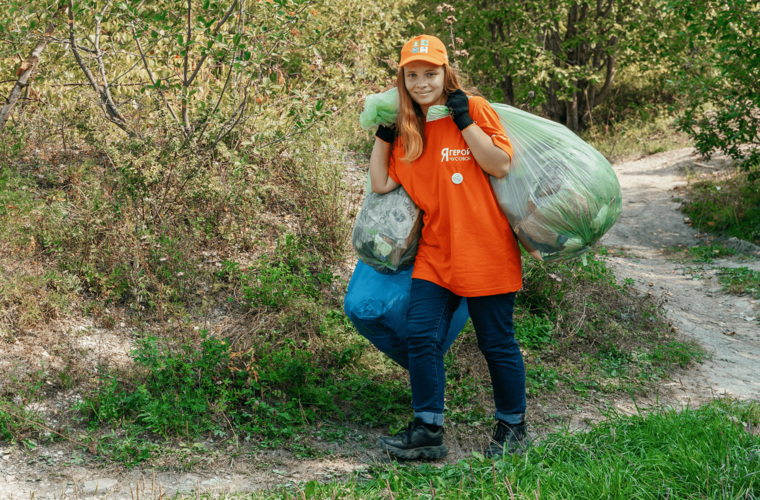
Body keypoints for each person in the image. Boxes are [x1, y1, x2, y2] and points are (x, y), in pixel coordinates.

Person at [368, 34, 527, 460]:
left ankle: (512, 428)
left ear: (445, 72)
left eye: (431, 73)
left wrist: (464, 122)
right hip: (436, 253)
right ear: (402, 79)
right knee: (421, 336)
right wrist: (384, 134)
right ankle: (427, 431)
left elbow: (500, 164)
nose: (422, 82)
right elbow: (381, 183)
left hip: (486, 249)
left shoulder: (472, 108)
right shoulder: (406, 128)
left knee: (496, 342)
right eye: (413, 75)